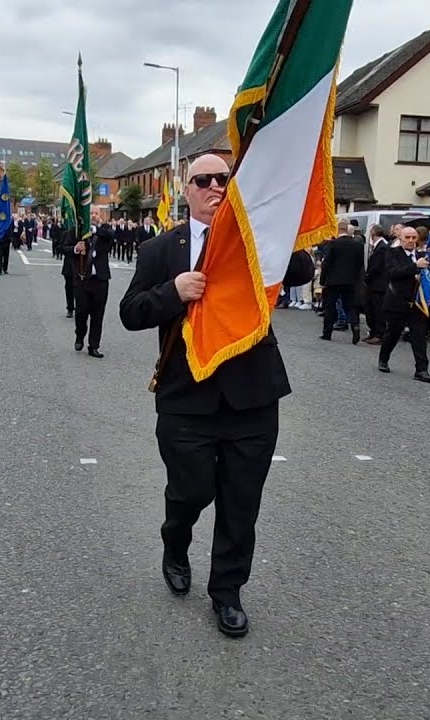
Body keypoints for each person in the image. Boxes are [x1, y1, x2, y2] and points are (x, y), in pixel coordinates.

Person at [118, 153, 315, 638]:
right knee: (192, 491)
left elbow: (302, 269)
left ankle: (227, 592)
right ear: (185, 190)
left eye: (223, 179)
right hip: (186, 398)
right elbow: (130, 312)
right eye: (201, 180)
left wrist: (268, 228)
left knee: (241, 502)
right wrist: (174, 291)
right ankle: (174, 539)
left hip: (252, 396)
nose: (213, 187)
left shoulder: (257, 242)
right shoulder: (161, 250)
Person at [377, 226, 430, 383]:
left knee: (419, 336)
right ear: (400, 239)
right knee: (393, 333)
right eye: (407, 237)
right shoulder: (392, 253)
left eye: (413, 238)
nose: (410, 241)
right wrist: (415, 266)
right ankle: (383, 358)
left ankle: (422, 370)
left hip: (417, 303)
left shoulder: (422, 255)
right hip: (398, 301)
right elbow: (393, 273)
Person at [66, 218, 114, 358]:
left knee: (97, 315)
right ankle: (80, 335)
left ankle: (94, 346)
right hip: (82, 280)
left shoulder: (104, 230)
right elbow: (62, 247)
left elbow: (111, 235)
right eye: (91, 213)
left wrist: (94, 230)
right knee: (81, 313)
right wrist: (75, 249)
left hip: (100, 280)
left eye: (96, 213)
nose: (93, 216)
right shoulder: (76, 231)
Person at [318, 219, 364, 344]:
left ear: (338, 230)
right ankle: (355, 325)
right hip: (350, 281)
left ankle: (327, 333)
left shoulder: (333, 244)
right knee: (350, 305)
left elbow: (326, 263)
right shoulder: (358, 245)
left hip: (333, 281)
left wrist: (323, 280)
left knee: (330, 306)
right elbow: (360, 263)